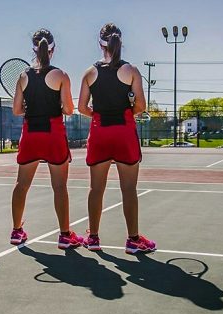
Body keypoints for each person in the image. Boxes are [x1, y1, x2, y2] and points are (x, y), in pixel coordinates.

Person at [78, 23, 156, 254]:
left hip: (100, 133)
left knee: (96, 189)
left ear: (100, 44)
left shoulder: (90, 72)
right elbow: (140, 105)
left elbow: (82, 107)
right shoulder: (131, 71)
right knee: (129, 189)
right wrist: (124, 113)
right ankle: (133, 240)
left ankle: (92, 238)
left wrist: (100, 114)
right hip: (124, 133)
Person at [11, 28, 83, 249]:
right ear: (53, 49)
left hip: (31, 133)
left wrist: (29, 106)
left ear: (34, 49)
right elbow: (69, 110)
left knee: (21, 185)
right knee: (59, 187)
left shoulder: (23, 76)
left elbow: (16, 110)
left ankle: (16, 231)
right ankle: (64, 235)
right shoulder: (61, 75)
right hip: (52, 133)